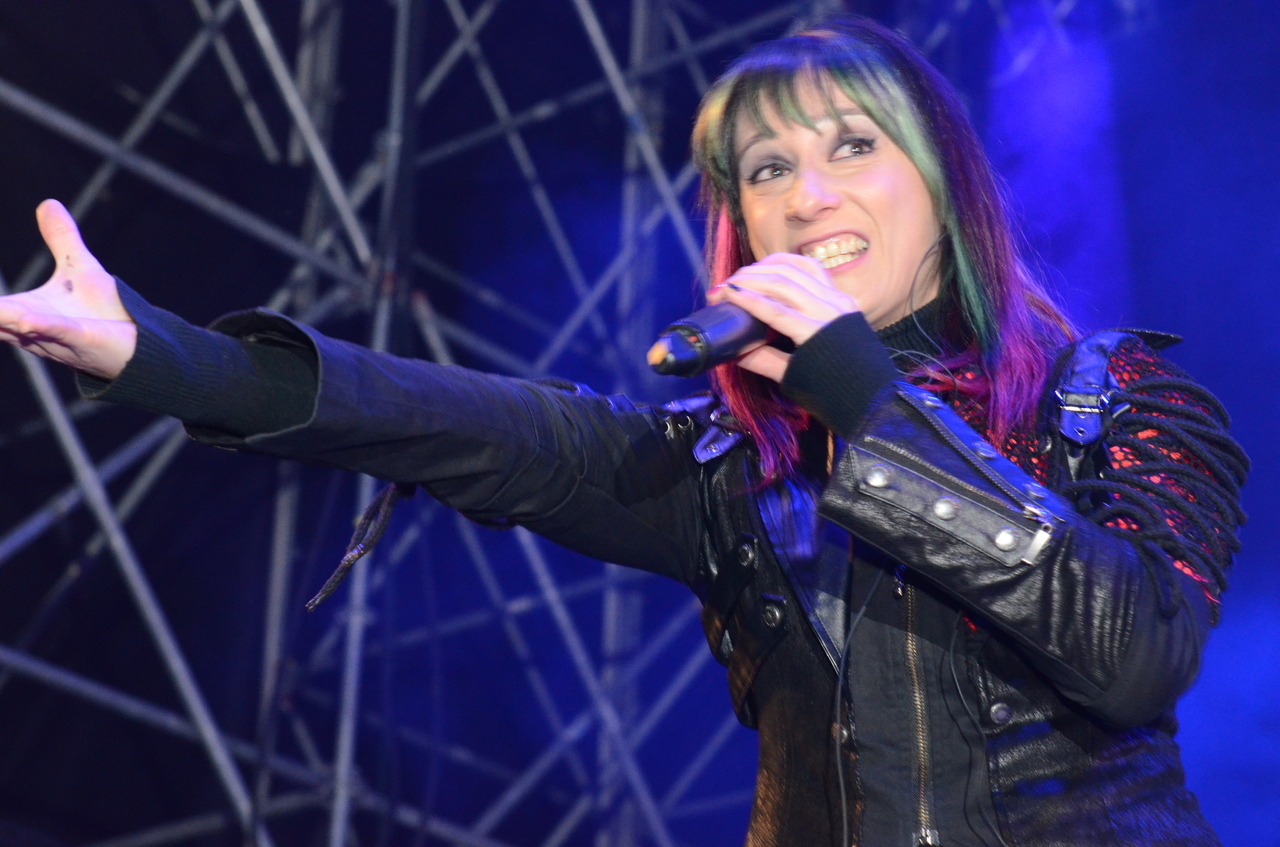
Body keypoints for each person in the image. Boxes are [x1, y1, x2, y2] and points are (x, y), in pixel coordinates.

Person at [0, 14, 1247, 847]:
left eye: (851, 146)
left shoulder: (1109, 401)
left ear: (944, 183)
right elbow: (446, 424)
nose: (805, 194)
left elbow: (1133, 650)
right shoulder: (729, 476)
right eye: (765, 170)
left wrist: (862, 395)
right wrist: (162, 356)